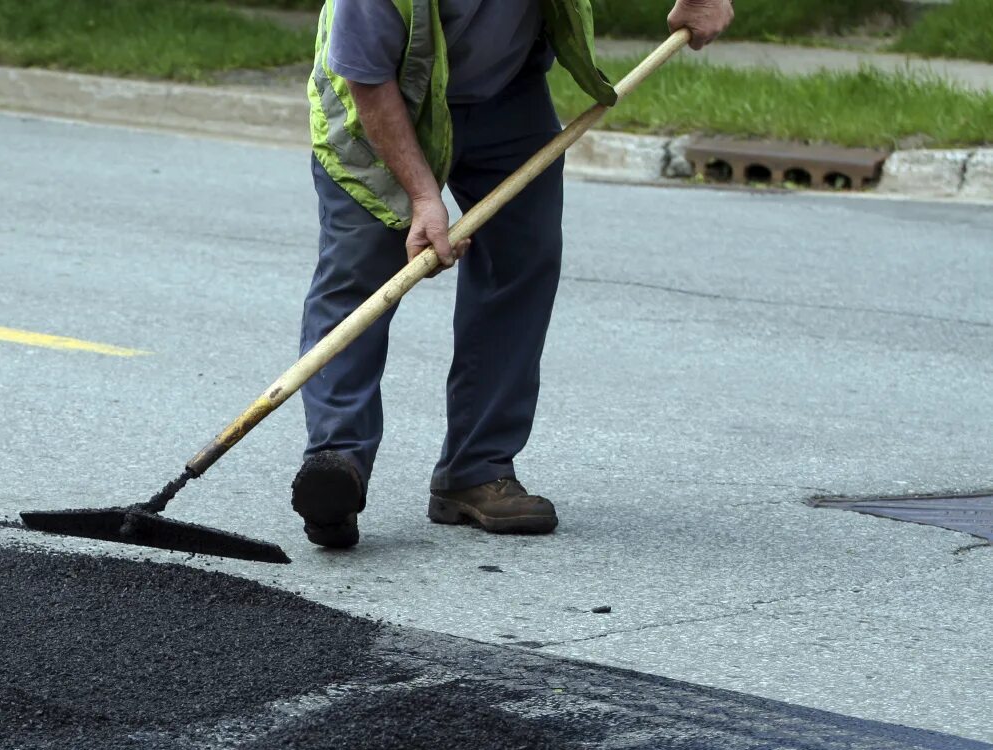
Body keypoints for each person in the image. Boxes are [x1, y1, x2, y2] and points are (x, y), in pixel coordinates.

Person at [289, 0, 733, 549]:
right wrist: (425, 197)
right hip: (383, 97)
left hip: (506, 94)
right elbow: (366, 74)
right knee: (359, 279)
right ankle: (336, 465)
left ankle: (476, 470)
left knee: (520, 263)